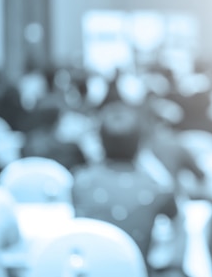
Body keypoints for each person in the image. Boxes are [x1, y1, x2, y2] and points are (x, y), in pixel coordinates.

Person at [71, 102, 184, 275]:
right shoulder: (157, 189)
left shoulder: (80, 182)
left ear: (100, 142)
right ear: (140, 144)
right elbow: (180, 225)